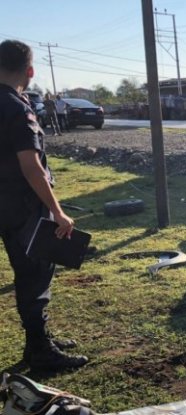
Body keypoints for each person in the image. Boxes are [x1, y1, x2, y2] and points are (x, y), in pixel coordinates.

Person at [0, 39, 88, 370]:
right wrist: (59, 211)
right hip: (22, 206)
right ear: (30, 70)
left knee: (27, 274)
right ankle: (39, 350)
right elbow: (30, 165)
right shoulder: (17, 107)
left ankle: (39, 338)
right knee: (34, 275)